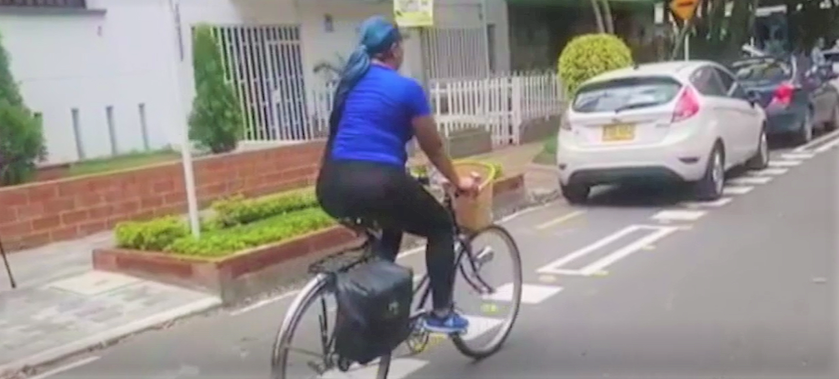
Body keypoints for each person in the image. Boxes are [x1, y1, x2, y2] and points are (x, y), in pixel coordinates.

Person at [315, 15, 479, 334]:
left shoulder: (348, 86)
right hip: (378, 182)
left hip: (331, 186)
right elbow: (433, 146)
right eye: (401, 44)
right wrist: (458, 180)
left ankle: (375, 310)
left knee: (390, 226)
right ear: (394, 50)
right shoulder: (406, 88)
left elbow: (352, 140)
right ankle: (442, 313)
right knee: (441, 228)